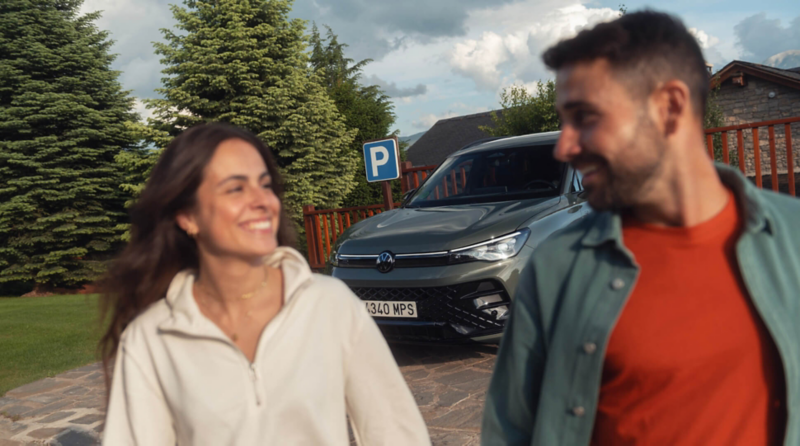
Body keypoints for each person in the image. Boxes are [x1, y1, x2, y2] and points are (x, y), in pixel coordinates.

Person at [482, 10, 799, 446]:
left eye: (585, 117)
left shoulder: (793, 239)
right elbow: (509, 430)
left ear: (669, 107)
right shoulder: (558, 267)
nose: (565, 145)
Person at [99, 123, 430, 445]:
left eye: (265, 184)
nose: (263, 201)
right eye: (236, 188)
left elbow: (397, 433)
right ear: (188, 217)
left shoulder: (330, 304)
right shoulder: (150, 338)